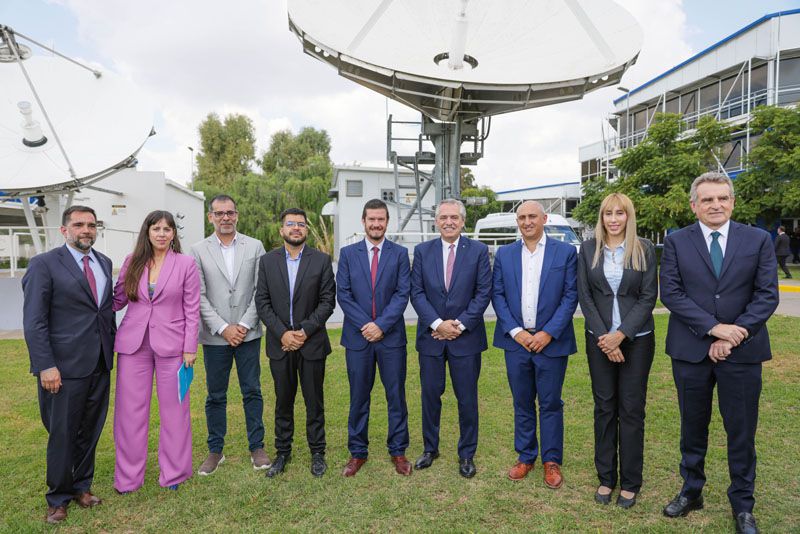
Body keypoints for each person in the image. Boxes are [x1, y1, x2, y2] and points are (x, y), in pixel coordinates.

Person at [660, 172, 778, 534]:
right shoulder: (676, 241)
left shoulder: (757, 239)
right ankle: (691, 490)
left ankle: (743, 505)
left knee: (741, 431)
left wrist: (733, 334)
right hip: (691, 351)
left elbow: (766, 294)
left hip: (742, 352)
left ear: (732, 202)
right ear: (694, 205)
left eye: (722, 198)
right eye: (707, 199)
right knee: (692, 428)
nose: (716, 205)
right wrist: (714, 328)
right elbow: (672, 293)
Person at [22, 206, 115, 524]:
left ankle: (81, 487)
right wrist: (45, 365)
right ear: (64, 230)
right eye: (78, 225)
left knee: (90, 429)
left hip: (101, 362)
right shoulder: (43, 265)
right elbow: (34, 321)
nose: (86, 230)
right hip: (63, 367)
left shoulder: (104, 263)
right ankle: (58, 498)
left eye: (91, 224)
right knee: (62, 433)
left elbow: (103, 312)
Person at [576, 193, 657, 509]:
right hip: (599, 341)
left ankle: (631, 482)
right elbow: (585, 296)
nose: (613, 219)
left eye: (619, 213)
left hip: (637, 340)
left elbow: (649, 296)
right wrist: (605, 338)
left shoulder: (644, 249)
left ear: (628, 216)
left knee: (632, 409)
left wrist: (621, 335)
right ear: (601, 217)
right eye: (608, 213)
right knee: (605, 407)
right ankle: (606, 477)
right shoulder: (587, 249)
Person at [491, 200, 578, 489]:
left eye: (532, 216)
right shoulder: (504, 254)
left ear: (544, 219)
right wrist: (516, 331)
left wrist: (548, 333)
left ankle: (551, 461)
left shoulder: (564, 253)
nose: (527, 222)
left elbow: (570, 296)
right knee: (522, 401)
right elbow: (498, 296)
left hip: (550, 342)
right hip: (517, 342)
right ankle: (526, 456)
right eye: (522, 217)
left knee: (551, 402)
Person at [112, 210, 200, 492]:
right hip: (132, 345)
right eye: (156, 228)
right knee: (130, 413)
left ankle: (174, 474)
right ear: (147, 232)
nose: (162, 233)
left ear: (174, 234)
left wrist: (189, 347)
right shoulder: (132, 261)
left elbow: (192, 308)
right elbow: (117, 299)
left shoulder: (186, 264)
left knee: (175, 411)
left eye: (167, 229)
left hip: (174, 348)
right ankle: (128, 479)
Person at [410, 198, 491, 478]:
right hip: (431, 337)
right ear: (436, 221)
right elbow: (416, 292)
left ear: (463, 221)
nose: (448, 222)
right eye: (443, 217)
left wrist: (459, 325)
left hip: (465, 339)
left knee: (467, 398)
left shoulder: (479, 251)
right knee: (431, 396)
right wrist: (436, 323)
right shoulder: (422, 251)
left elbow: (483, 293)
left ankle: (467, 453)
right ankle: (430, 449)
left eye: (454, 217)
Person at [190, 195, 270, 475]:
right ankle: (215, 450)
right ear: (210, 217)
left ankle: (257, 447)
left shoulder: (255, 246)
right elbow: (197, 295)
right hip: (215, 337)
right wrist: (224, 327)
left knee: (252, 391)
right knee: (215, 395)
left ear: (237, 215)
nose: (226, 217)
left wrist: (244, 325)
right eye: (219, 213)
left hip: (248, 334)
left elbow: (262, 290)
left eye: (230, 212)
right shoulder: (198, 250)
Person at [255, 208, 336, 478]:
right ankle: (283, 453)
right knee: (283, 401)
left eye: (301, 224)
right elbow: (262, 303)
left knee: (314, 401)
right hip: (281, 344)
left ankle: (317, 453)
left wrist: (304, 331)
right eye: (291, 224)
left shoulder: (321, 261)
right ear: (282, 230)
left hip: (311, 343)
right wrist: (283, 334)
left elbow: (327, 301)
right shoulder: (267, 262)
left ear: (306, 230)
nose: (296, 228)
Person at [337, 199, 412, 477]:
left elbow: (402, 294)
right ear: (363, 221)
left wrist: (380, 325)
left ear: (387, 222)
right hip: (357, 340)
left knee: (396, 397)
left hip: (391, 339)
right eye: (371, 219)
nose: (376, 224)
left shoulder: (400, 254)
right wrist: (366, 326)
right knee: (358, 397)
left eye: (381, 219)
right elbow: (343, 294)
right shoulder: (348, 254)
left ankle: (398, 451)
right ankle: (357, 452)